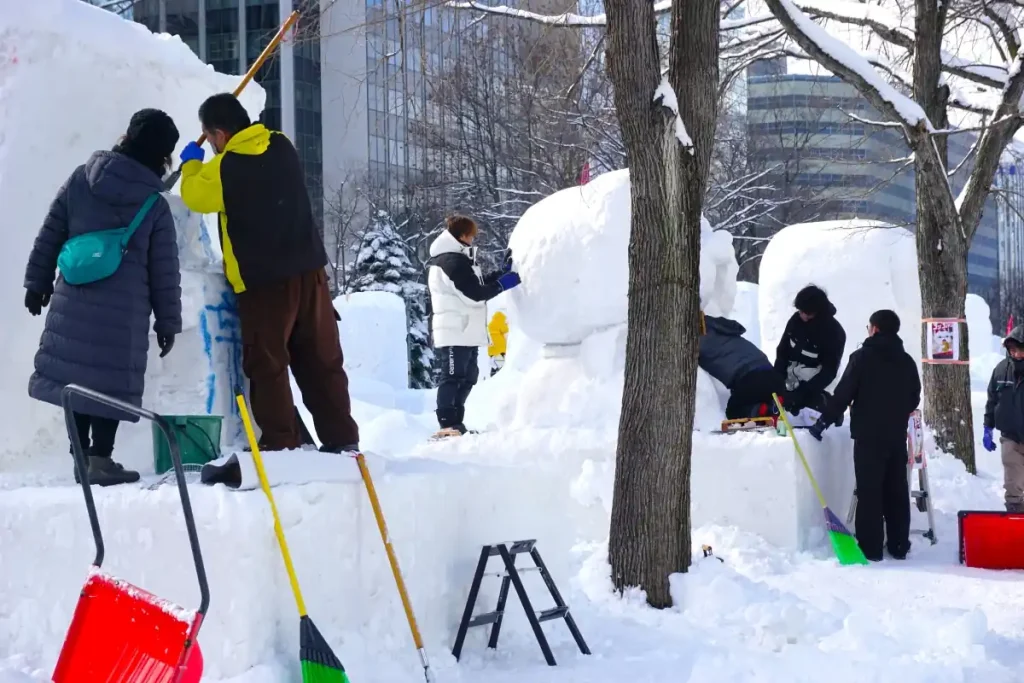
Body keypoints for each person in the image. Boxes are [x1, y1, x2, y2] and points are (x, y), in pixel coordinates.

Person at [178, 93, 358, 453]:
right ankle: (342, 439)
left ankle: (280, 443)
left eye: (209, 138)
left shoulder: (225, 167)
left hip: (265, 282)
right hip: (311, 273)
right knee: (322, 360)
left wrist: (190, 166)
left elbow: (195, 196)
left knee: (268, 363)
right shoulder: (281, 144)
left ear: (219, 134)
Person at [24, 109, 183, 486]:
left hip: (73, 296)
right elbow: (164, 269)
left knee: (74, 377)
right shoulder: (154, 204)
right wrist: (168, 323)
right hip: (123, 313)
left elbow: (51, 232)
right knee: (109, 381)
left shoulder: (82, 179)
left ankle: (80, 456)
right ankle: (100, 459)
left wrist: (37, 282)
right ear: (162, 155)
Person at [809, 310, 920, 561]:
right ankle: (899, 545)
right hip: (895, 435)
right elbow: (914, 396)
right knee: (896, 490)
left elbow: (843, 394)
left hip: (868, 436)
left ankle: (871, 548)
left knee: (870, 491)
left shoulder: (861, 358)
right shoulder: (907, 361)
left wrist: (823, 422)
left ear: (875, 329)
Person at [427, 216, 521, 433]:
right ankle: (447, 424)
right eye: (471, 234)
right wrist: (502, 284)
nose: (473, 238)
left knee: (468, 377)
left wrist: (501, 274)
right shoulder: (451, 262)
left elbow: (476, 285)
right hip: (454, 329)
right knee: (452, 377)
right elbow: (473, 295)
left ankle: (456, 424)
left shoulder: (460, 259)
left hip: (466, 330)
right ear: (461, 236)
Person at [775, 285, 846, 417]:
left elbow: (829, 372)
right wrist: (778, 379)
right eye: (800, 311)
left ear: (819, 312)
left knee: (809, 409)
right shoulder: (796, 320)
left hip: (815, 381)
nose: (803, 315)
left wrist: (802, 393)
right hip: (791, 375)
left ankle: (828, 408)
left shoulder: (834, 333)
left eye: (807, 313)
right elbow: (782, 350)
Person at [698, 314, 786, 420]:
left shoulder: (696, 340)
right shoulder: (714, 323)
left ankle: (762, 410)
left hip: (750, 378)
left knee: (733, 411)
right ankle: (773, 404)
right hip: (773, 374)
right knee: (754, 395)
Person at [982, 327, 1024, 513]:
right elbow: (992, 400)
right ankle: (1014, 513)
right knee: (1012, 478)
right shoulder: (1000, 370)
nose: (1016, 353)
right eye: (1012, 349)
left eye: (1020, 349)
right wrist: (988, 427)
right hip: (1010, 434)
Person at [487, 310, 508, 376]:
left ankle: (492, 376)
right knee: (500, 365)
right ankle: (496, 377)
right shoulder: (500, 322)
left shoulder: (490, 324)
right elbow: (506, 331)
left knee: (494, 365)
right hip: (500, 348)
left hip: (491, 348)